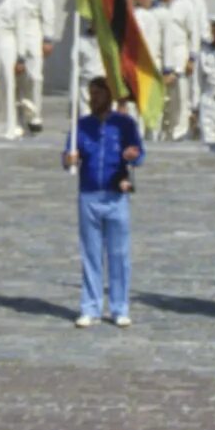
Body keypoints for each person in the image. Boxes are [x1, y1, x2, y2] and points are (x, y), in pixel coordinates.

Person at [63, 73, 142, 327]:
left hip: (116, 195)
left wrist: (133, 155)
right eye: (91, 94)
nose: (93, 99)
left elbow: (139, 155)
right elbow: (67, 157)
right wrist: (69, 160)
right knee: (91, 253)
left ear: (109, 96)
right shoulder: (81, 125)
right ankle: (90, 306)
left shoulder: (125, 124)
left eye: (98, 94)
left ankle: (119, 307)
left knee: (118, 254)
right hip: (89, 194)